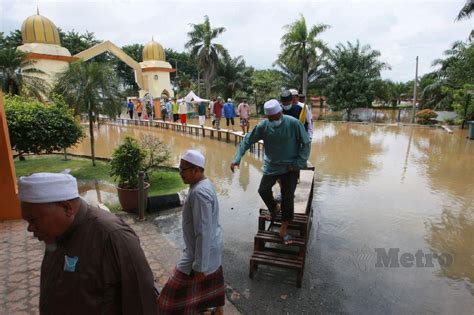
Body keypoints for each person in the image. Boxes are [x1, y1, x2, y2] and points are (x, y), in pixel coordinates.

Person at [18, 172, 157, 314]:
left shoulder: (112, 235)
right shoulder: (55, 233)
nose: (30, 228)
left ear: (67, 208)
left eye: (33, 220)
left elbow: (141, 299)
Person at [230, 99, 310, 244]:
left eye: (277, 117)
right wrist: (237, 158)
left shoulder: (293, 123)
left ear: (280, 113)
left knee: (287, 196)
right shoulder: (263, 126)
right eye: (271, 118)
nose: (274, 120)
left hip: (290, 167)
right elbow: (248, 140)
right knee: (263, 190)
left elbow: (305, 142)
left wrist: (299, 162)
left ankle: (283, 230)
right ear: (267, 117)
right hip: (271, 165)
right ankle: (274, 208)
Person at [158, 150, 225, 314]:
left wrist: (200, 266)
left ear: (195, 170)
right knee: (208, 289)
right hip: (206, 250)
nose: (180, 173)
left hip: (200, 254)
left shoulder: (199, 193)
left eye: (183, 169)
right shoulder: (203, 185)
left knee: (167, 300)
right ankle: (216, 311)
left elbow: (203, 231)